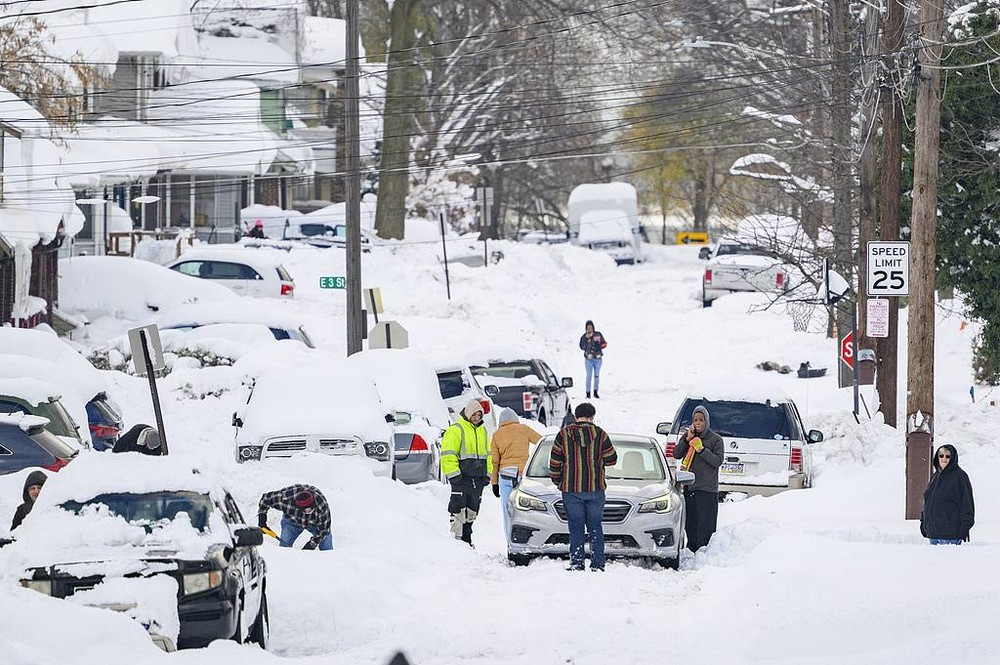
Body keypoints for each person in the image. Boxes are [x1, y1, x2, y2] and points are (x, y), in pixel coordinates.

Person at [549, 402, 617, 571]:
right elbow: (612, 459)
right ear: (592, 417)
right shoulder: (600, 435)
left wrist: (559, 482)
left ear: (576, 417)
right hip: (595, 489)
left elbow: (555, 462)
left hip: (571, 489)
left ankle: (577, 562)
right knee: (595, 526)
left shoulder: (563, 435)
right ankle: (597, 563)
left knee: (575, 526)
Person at [441, 399, 493, 546]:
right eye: (474, 415)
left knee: (472, 511)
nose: (477, 418)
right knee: (458, 510)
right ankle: (457, 543)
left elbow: (488, 455)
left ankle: (467, 539)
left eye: (479, 415)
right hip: (461, 479)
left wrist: (487, 474)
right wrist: (454, 475)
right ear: (468, 414)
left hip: (478, 479)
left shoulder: (482, 430)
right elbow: (448, 454)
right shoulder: (456, 430)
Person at [672, 405, 724, 552]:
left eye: (701, 420)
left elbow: (717, 461)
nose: (698, 423)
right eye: (695, 420)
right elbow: (676, 454)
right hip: (689, 487)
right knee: (691, 524)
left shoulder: (715, 440)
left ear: (706, 421)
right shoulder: (689, 436)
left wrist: (701, 449)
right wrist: (686, 440)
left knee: (705, 525)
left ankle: (704, 553)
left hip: (707, 489)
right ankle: (691, 550)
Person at [490, 407, 542, 538]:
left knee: (508, 510)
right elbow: (540, 442)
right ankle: (529, 537)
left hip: (505, 476)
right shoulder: (524, 429)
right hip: (523, 475)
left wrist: (494, 483)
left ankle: (510, 539)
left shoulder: (496, 435)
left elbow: (495, 462)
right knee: (527, 508)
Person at [920, 444, 975, 545]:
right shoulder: (935, 477)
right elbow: (928, 502)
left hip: (951, 536)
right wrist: (924, 523)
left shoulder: (960, 476)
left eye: (947, 456)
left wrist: (964, 528)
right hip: (933, 534)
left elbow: (967, 505)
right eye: (941, 455)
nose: (944, 459)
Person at [258, 484, 332, 550]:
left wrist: (310, 545)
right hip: (292, 522)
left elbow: (323, 531)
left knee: (326, 544)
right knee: (284, 549)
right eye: (305, 510)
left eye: (310, 510)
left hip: (314, 524)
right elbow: (265, 499)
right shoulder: (285, 499)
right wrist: (262, 520)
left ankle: (329, 561)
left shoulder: (321, 505)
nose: (308, 512)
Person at [578, 320, 607, 398]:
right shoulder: (584, 337)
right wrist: (587, 341)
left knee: (596, 376)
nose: (589, 330)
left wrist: (600, 346)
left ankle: (595, 391)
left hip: (598, 358)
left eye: (591, 328)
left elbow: (604, 343)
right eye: (588, 328)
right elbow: (581, 346)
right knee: (589, 376)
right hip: (589, 359)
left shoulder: (598, 335)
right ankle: (588, 393)